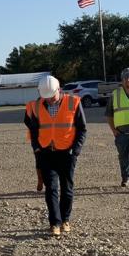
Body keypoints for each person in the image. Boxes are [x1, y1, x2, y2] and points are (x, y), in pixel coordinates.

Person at [24, 75, 87, 236]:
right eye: (46, 97)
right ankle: (55, 223)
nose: (50, 100)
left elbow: (82, 129)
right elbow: (32, 128)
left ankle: (65, 219)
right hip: (46, 152)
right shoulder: (36, 105)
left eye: (52, 97)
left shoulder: (74, 102)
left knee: (67, 188)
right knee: (51, 188)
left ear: (59, 90)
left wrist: (76, 150)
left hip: (67, 152)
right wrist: (36, 147)